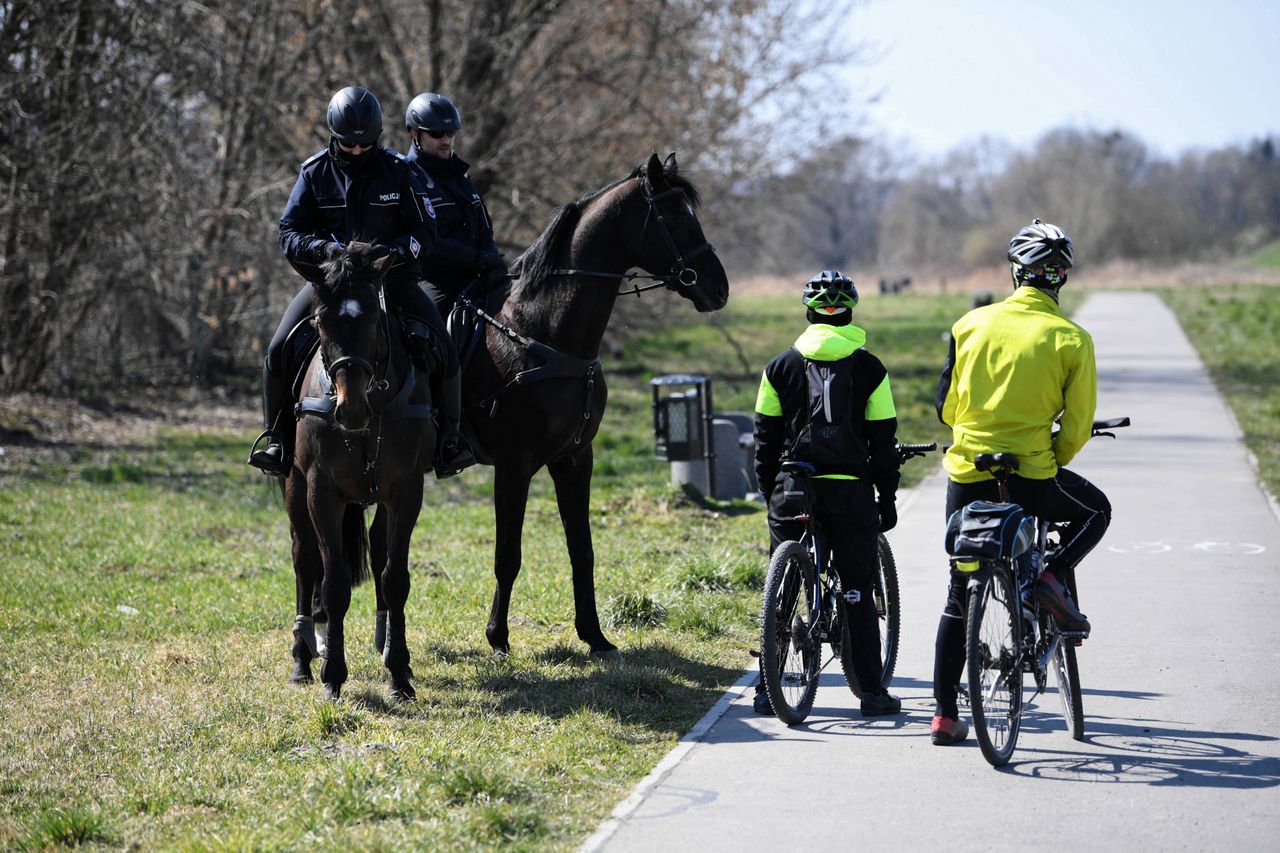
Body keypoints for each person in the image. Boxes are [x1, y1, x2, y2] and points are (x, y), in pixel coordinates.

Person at [929, 218, 1111, 746]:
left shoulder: (969, 324)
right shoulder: (1072, 338)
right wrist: (1049, 455)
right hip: (1031, 473)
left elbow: (947, 407)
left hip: (968, 474)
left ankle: (944, 715)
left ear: (1015, 273)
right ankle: (1052, 576)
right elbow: (1076, 426)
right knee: (1095, 510)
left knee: (959, 591)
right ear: (1061, 279)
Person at [247, 86, 474, 479]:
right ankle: (277, 439)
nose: (355, 152)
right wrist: (325, 252)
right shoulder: (314, 172)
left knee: (445, 347)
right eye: (347, 145)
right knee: (278, 347)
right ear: (333, 136)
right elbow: (288, 233)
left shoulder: (399, 171)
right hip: (331, 286)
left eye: (364, 145)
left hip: (392, 280)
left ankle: (449, 440)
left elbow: (426, 228)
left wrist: (394, 253)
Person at [752, 270, 903, 718]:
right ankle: (872, 695)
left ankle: (767, 691)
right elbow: (883, 442)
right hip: (850, 494)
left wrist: (771, 492)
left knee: (783, 589)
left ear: (808, 312)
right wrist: (887, 496)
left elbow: (764, 441)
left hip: (793, 489)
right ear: (850, 312)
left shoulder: (778, 367)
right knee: (857, 586)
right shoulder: (871, 368)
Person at [401, 92, 507, 318]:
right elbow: (429, 243)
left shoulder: (461, 175)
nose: (446, 140)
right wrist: (480, 260)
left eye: (450, 133)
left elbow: (484, 228)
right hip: (434, 280)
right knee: (431, 325)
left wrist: (492, 261)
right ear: (415, 134)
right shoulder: (407, 177)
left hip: (477, 273)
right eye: (437, 133)